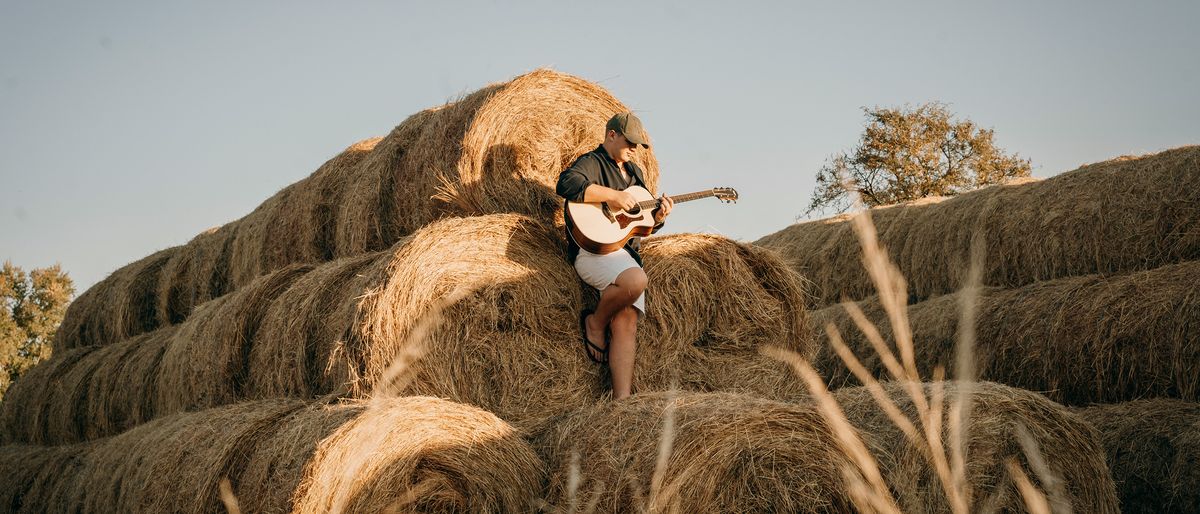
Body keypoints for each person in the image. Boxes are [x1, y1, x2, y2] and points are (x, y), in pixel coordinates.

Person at [555, 112, 673, 400]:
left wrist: (658, 216)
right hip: (592, 251)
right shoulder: (593, 162)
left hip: (624, 252)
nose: (634, 149)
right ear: (611, 135)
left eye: (638, 145)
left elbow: (641, 223)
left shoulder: (636, 174)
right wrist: (611, 196)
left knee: (627, 319)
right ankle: (595, 323)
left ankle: (622, 403)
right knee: (636, 280)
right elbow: (566, 183)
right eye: (630, 142)